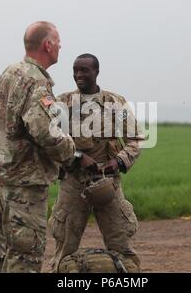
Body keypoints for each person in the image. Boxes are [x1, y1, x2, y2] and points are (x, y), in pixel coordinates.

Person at [0, 21, 78, 273]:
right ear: (47, 45)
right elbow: (44, 131)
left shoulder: (11, 72)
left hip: (3, 175)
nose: (60, 46)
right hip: (25, 182)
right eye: (58, 41)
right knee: (25, 254)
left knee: (1, 248)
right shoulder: (37, 82)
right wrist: (72, 154)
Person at [48, 53, 144, 272]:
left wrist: (119, 162)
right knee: (64, 249)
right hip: (73, 184)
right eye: (75, 70)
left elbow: (136, 139)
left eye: (84, 70)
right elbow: (50, 141)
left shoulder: (114, 102)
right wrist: (78, 158)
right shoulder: (62, 103)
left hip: (108, 184)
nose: (78, 75)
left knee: (122, 246)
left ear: (96, 72)